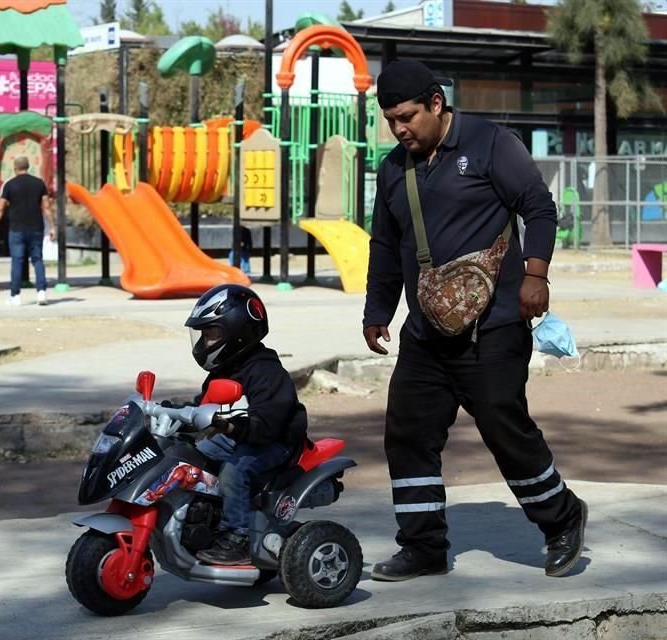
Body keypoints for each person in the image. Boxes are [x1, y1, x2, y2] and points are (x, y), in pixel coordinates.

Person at [363, 59, 587, 581]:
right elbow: (385, 245)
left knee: (506, 432)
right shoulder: (394, 169)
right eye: (391, 120)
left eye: (407, 117)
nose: (399, 129)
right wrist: (377, 310)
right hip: (425, 335)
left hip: (494, 327)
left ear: (435, 103)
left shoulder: (490, 144)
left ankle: (562, 519)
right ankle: (422, 547)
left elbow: (539, 207)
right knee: (408, 433)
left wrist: (536, 275)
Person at [185, 284, 308, 565]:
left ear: (237, 332)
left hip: (275, 443)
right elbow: (205, 406)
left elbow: (267, 425)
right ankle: (204, 518)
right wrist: (174, 415)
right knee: (190, 456)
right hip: (239, 436)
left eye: (211, 334)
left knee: (234, 471)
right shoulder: (225, 369)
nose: (204, 343)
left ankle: (237, 536)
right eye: (202, 335)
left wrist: (230, 428)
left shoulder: (266, 371)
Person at [0, 156, 54, 306]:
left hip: (16, 229)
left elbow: (0, 208)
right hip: (36, 228)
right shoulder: (39, 183)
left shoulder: (9, 185)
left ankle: (15, 296)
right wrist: (52, 226)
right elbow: (46, 207)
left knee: (17, 261)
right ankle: (41, 293)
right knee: (37, 259)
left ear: (15, 168)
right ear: (28, 166)